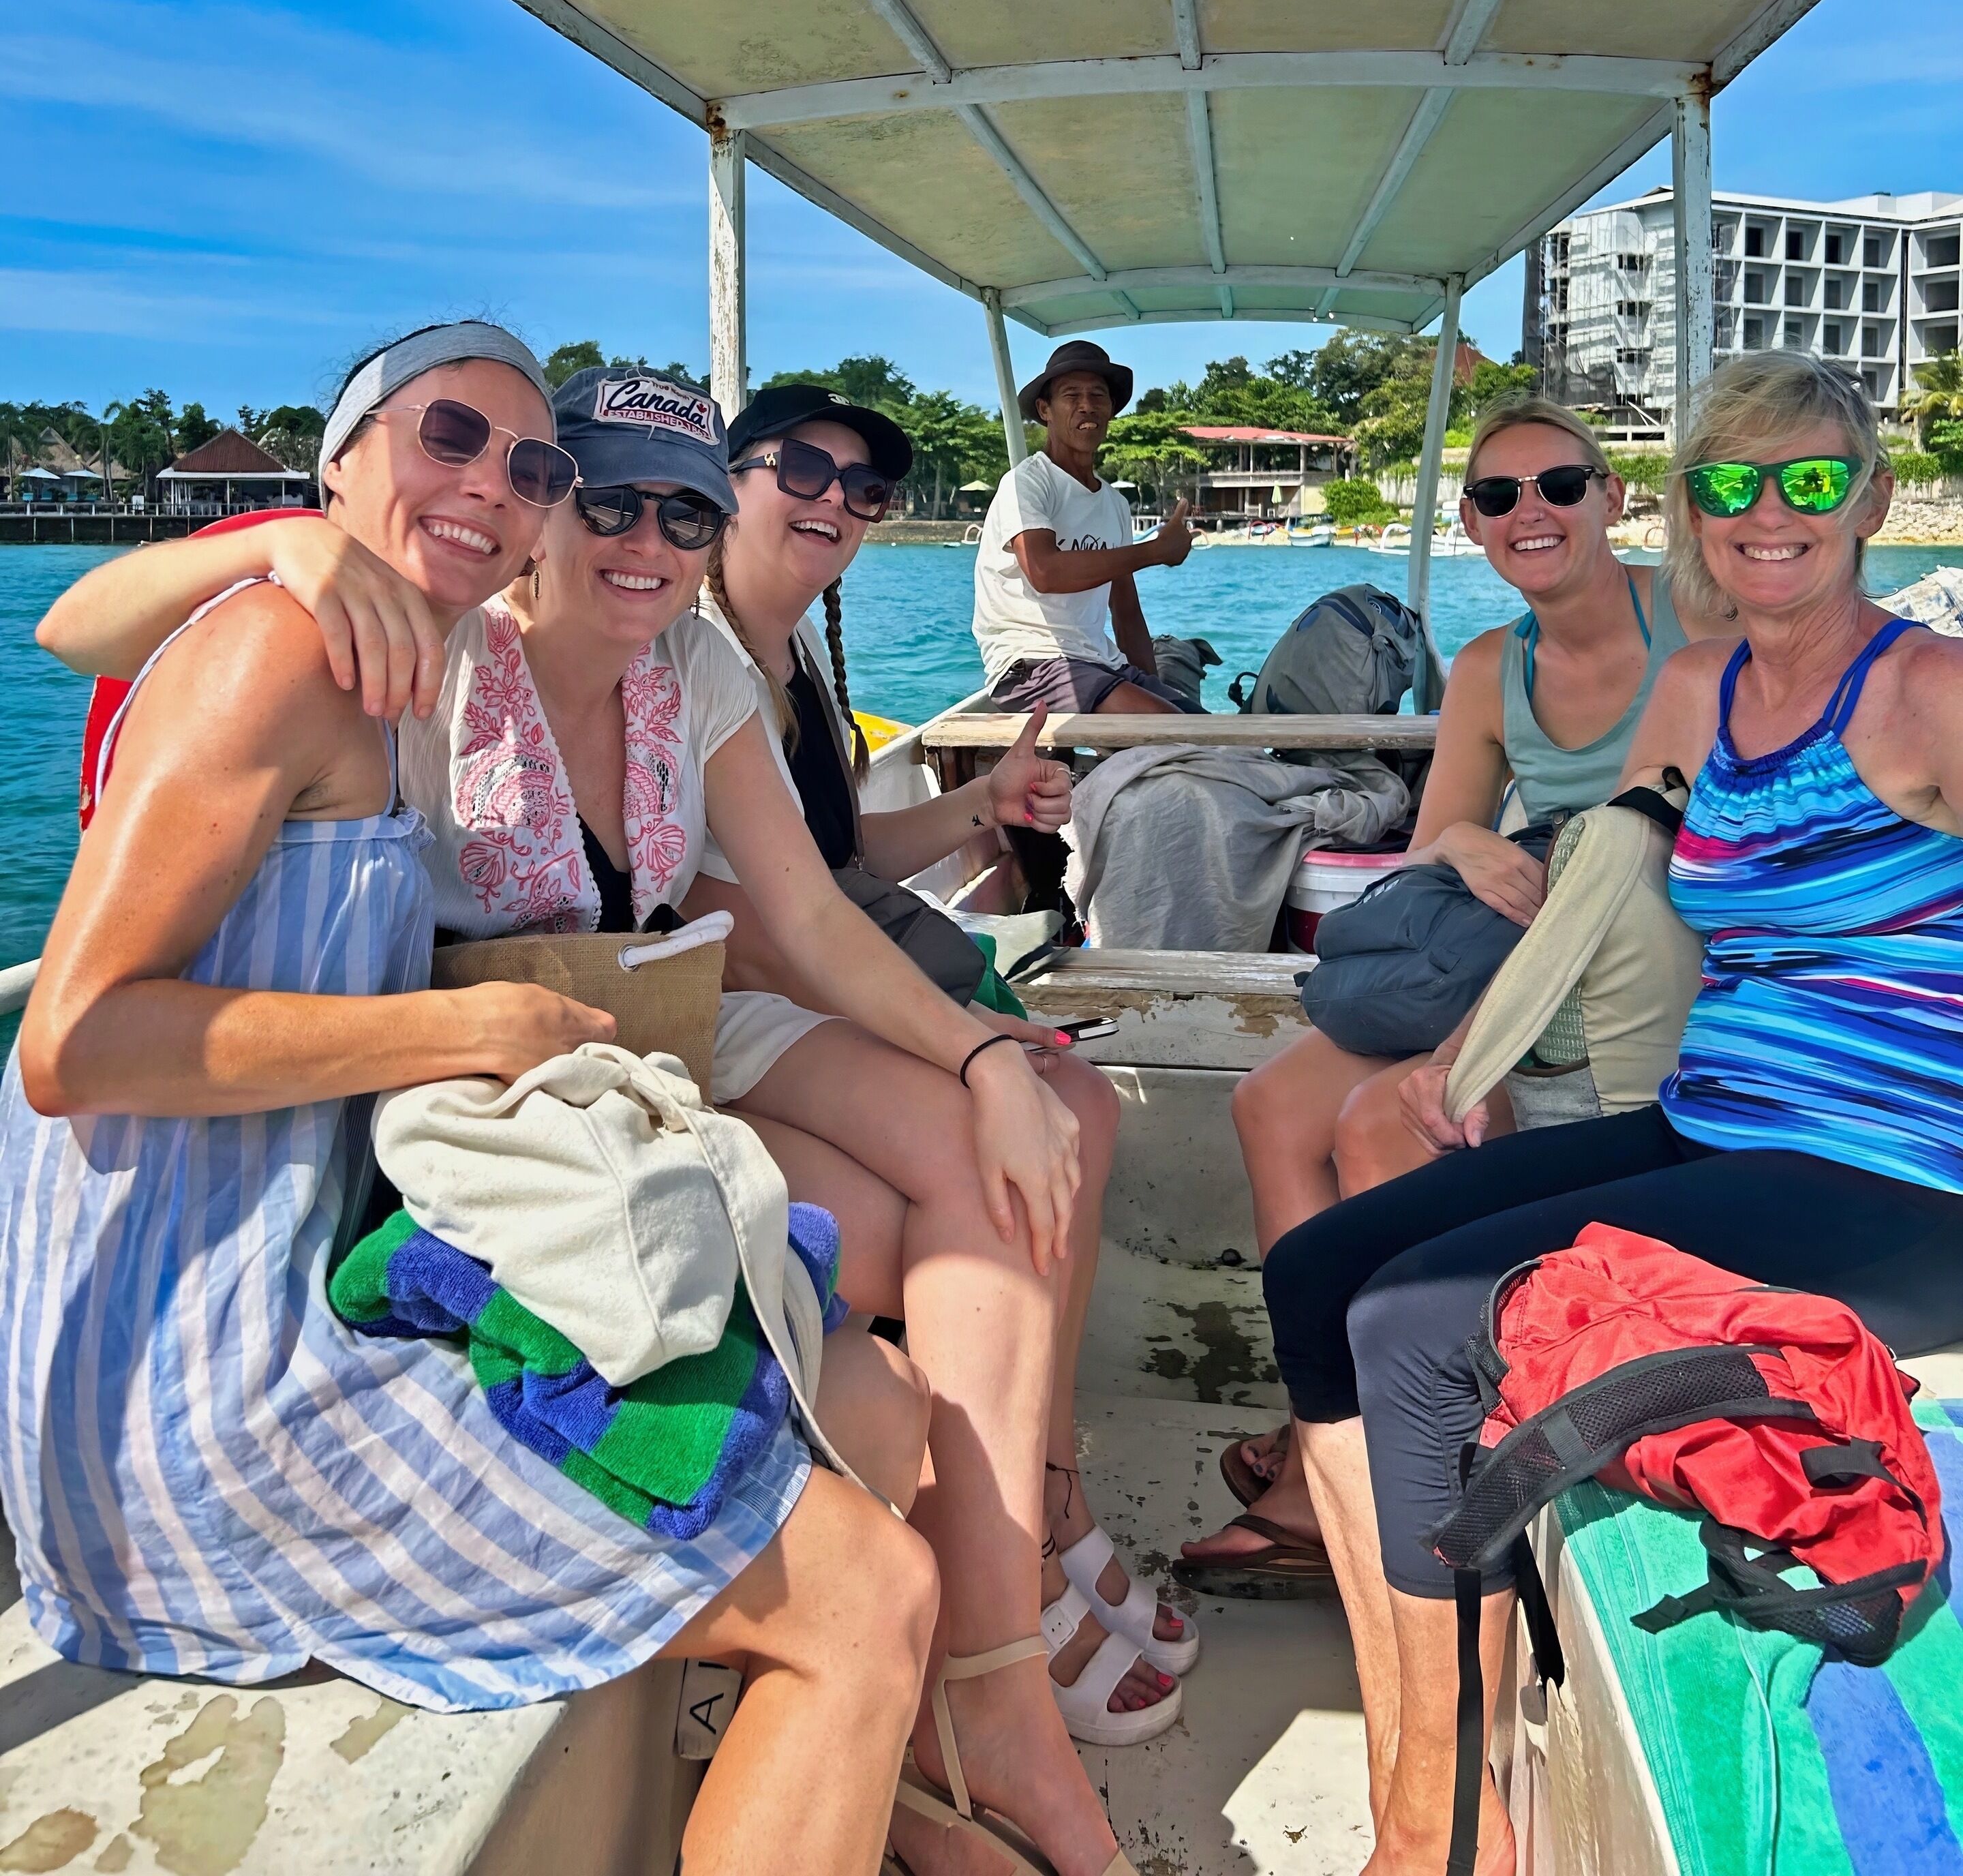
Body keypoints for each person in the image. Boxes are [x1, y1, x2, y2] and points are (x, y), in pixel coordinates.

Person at [45, 363, 1148, 1876]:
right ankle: (960, 1670)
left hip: (646, 1037)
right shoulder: (424, 643)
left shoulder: (695, 668)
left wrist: (983, 1062)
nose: (647, 538)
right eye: (608, 497)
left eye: (683, 514)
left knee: (996, 1157)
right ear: (542, 512)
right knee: (898, 1293)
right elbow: (81, 634)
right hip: (496, 1090)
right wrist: (286, 540)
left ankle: (994, 1656)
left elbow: (806, 914)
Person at [1261, 352, 1963, 1873]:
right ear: (1691, 512)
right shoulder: (1701, 687)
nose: (1768, 512)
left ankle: (1437, 1829)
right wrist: (1468, 1058)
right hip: (1718, 1123)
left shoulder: (1933, 694)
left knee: (1419, 1324)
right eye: (1729, 484)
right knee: (1316, 1277)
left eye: (1810, 479)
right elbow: (1598, 887)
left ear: (1870, 502)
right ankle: (1412, 1731)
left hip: (1898, 1172)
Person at [690, 378, 1200, 1685]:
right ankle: (1008, 1561)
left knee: (1082, 1106)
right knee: (1017, 1127)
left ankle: (1050, 1481)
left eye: (861, 489)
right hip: (759, 997)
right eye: (800, 471)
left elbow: (843, 851)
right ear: (725, 483)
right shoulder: (689, 652)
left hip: (819, 969)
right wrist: (949, 1039)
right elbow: (747, 919)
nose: (837, 504)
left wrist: (986, 806)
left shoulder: (791, 655)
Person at [1183, 393, 1717, 1587]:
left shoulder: (1692, 621)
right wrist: (1476, 844)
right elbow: (1437, 838)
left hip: (1628, 964)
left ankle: (1409, 1473)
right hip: (1512, 937)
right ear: (1471, 523)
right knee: (1269, 1105)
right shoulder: (1489, 666)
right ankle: (1325, 1431)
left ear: (1610, 497)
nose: (1532, 512)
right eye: (1497, 495)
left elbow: (1641, 854)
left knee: (1385, 1123)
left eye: (1560, 486)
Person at [973, 340, 1194, 714]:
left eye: (1098, 396)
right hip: (1031, 666)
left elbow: (1126, 613)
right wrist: (1155, 550)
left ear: (1111, 410)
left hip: (1099, 664)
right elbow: (1044, 571)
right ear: (1045, 410)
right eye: (1071, 395)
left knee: (1206, 729)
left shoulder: (1115, 504)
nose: (1087, 406)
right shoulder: (1026, 484)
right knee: (1175, 728)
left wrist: (1153, 688)